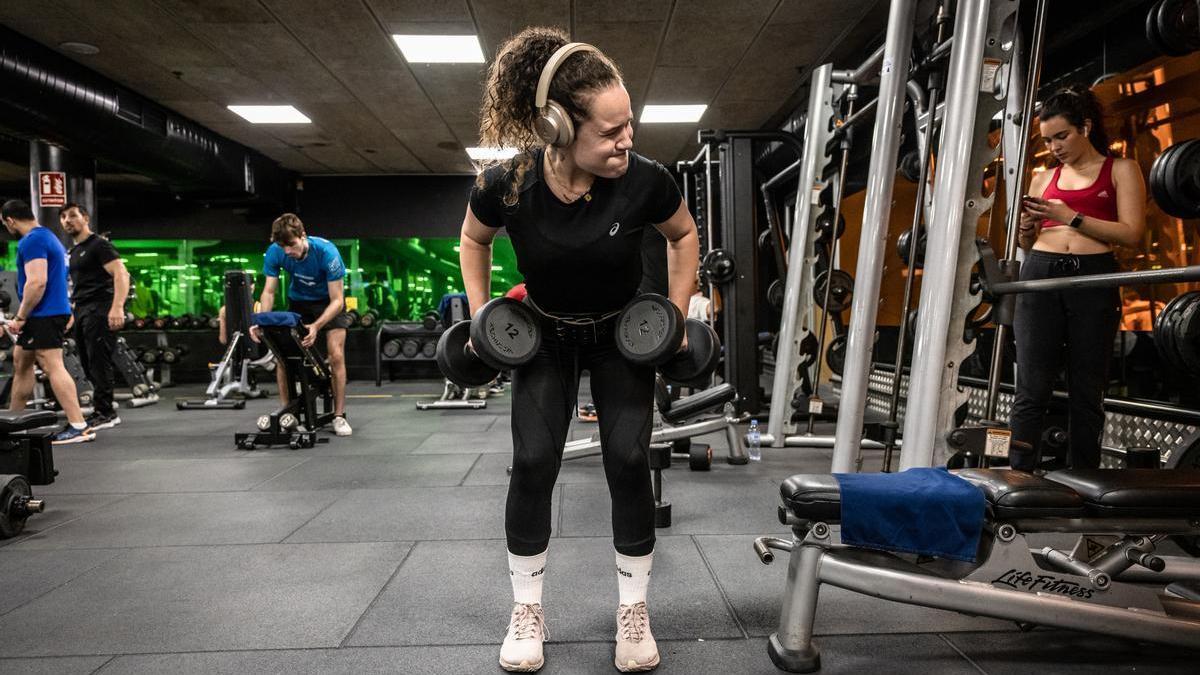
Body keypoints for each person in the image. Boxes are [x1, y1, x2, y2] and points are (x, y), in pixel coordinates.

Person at [462, 27, 699, 672]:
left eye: (631, 126)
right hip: (543, 334)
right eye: (611, 130)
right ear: (560, 127)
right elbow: (473, 240)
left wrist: (674, 316)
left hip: (621, 336)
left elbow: (683, 237)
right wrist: (484, 313)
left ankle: (633, 609)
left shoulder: (645, 180)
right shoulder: (509, 182)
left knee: (627, 458)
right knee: (533, 460)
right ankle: (527, 607)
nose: (628, 141)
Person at [1013, 85, 1146, 471]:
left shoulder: (1120, 169)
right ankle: (1018, 478)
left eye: (1061, 136)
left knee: (1087, 390)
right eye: (1048, 140)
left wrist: (1068, 215)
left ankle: (1083, 479)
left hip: (1094, 278)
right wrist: (1024, 230)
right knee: (1032, 389)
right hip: (1041, 272)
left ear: (1085, 127)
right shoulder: (1042, 178)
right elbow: (1027, 243)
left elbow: (1131, 234)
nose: (1054, 146)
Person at [0, 199, 94, 444]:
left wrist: (20, 317)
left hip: (43, 313)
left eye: (5, 224)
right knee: (21, 361)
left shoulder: (32, 240)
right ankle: (13, 423)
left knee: (51, 364)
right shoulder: (49, 237)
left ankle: (78, 425)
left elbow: (37, 282)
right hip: (47, 312)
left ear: (10, 221)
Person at [257, 213, 353, 436]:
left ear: (303, 236)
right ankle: (288, 415)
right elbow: (269, 291)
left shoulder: (327, 253)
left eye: (291, 244)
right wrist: (261, 321)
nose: (288, 251)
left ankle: (338, 416)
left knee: (336, 355)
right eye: (283, 247)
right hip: (299, 302)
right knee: (283, 357)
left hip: (329, 303)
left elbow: (338, 300)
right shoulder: (276, 252)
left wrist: (317, 326)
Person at [61, 203, 129, 430]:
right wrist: (72, 312)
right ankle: (103, 408)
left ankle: (106, 412)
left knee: (99, 361)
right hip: (82, 309)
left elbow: (121, 273)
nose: (66, 220)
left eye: (72, 215)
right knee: (88, 363)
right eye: (63, 217)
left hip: (100, 308)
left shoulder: (99, 245)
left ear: (86, 218)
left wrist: (117, 307)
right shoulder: (75, 251)